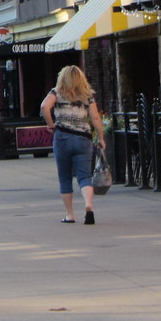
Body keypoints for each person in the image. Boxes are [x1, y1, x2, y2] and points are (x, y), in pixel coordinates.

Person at [40, 65, 105, 225]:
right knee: (84, 176)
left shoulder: (56, 92)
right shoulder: (87, 95)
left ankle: (70, 215)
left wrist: (50, 124)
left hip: (62, 137)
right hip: (83, 138)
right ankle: (88, 205)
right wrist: (101, 138)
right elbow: (95, 118)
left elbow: (44, 106)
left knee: (65, 177)